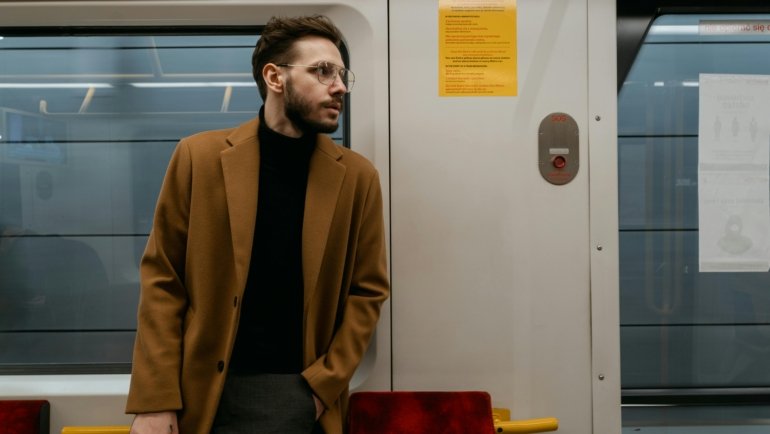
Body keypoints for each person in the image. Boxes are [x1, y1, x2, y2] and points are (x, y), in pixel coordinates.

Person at [126, 15, 389, 434]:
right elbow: (163, 281)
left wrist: (324, 385)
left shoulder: (357, 178)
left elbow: (368, 290)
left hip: (300, 391)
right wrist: (156, 400)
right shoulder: (199, 158)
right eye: (323, 71)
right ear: (274, 77)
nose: (339, 86)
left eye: (342, 75)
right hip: (203, 393)